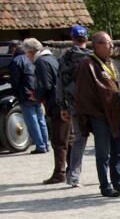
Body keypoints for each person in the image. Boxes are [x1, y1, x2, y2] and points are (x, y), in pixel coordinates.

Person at [74, 32, 120, 198]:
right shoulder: (87, 65)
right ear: (96, 45)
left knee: (118, 149)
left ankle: (119, 181)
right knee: (103, 152)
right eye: (108, 43)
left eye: (112, 43)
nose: (112, 46)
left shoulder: (111, 62)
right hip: (100, 114)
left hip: (116, 112)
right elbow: (85, 93)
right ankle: (105, 185)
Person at [56, 25, 90, 187]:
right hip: (93, 105)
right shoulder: (92, 57)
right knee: (105, 139)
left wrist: (62, 106)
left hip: (74, 105)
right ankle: (109, 175)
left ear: (72, 39)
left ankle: (74, 177)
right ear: (87, 39)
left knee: (79, 140)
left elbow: (60, 84)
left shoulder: (64, 58)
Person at [31, 39, 69, 184]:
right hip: (63, 102)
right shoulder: (53, 59)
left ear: (31, 52)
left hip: (55, 104)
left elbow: (46, 85)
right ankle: (72, 169)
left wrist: (37, 97)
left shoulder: (41, 62)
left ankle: (60, 173)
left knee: (59, 141)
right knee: (68, 139)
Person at [16, 39, 48, 154]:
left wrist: (17, 93)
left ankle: (40, 146)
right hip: (37, 93)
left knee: (32, 121)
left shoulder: (17, 61)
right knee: (41, 120)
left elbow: (16, 80)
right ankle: (46, 144)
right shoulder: (37, 60)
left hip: (26, 94)